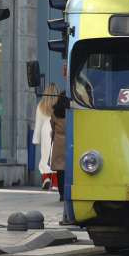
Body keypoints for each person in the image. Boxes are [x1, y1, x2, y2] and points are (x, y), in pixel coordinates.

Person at [32, 83, 59, 190]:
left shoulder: (41, 105)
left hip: (44, 130)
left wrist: (36, 139)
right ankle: (56, 183)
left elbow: (38, 123)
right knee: (56, 156)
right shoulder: (58, 104)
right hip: (56, 129)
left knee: (45, 156)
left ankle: (46, 178)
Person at [51, 92, 73, 224]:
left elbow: (52, 126)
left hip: (59, 141)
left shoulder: (55, 112)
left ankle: (61, 194)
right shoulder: (71, 111)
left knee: (60, 170)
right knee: (69, 168)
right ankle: (68, 192)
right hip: (70, 139)